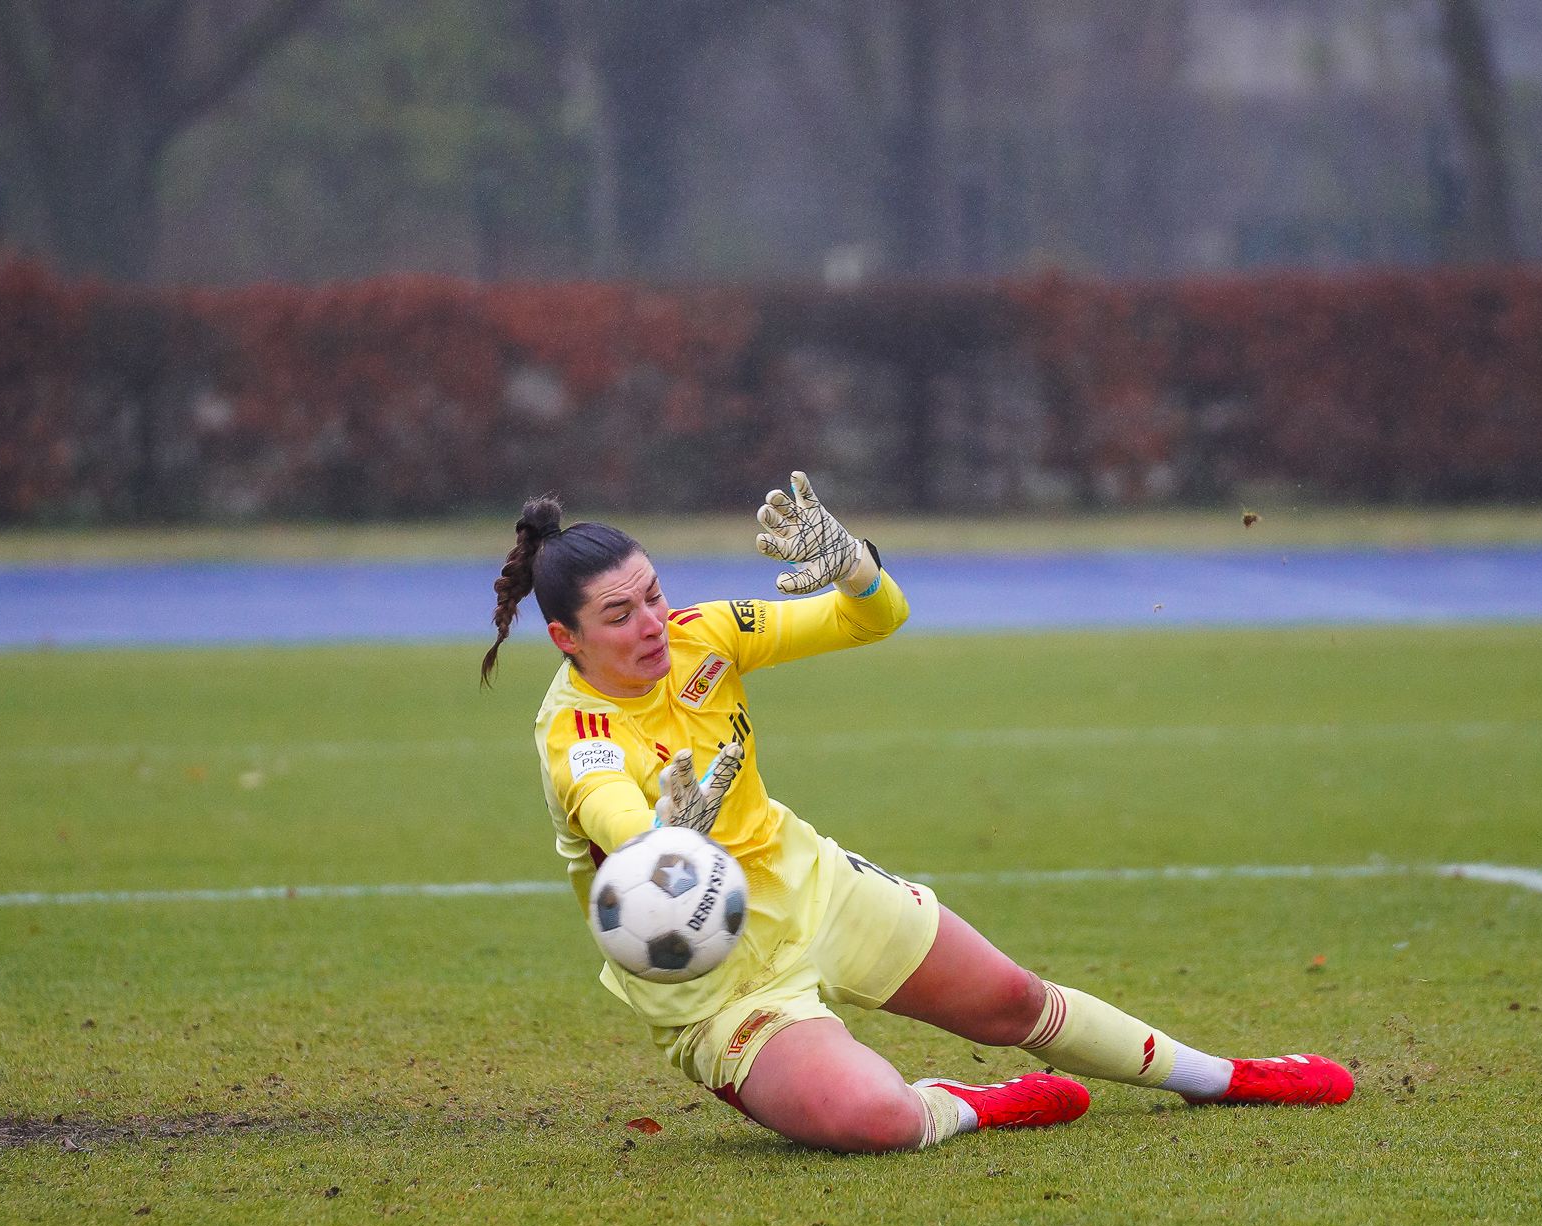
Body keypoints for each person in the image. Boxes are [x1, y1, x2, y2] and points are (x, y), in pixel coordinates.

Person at [480, 472, 1353, 1153]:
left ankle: (1225, 1078)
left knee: (1013, 1001)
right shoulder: (575, 731)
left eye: (654, 595)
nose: (653, 623)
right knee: (875, 1121)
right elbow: (611, 815)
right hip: (716, 980)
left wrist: (854, 567)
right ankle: (961, 1104)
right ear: (566, 638)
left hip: (810, 886)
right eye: (619, 614)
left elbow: (876, 621)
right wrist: (666, 842)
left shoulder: (707, 632)